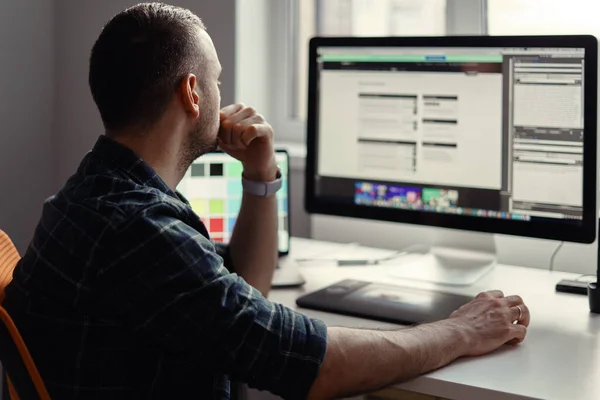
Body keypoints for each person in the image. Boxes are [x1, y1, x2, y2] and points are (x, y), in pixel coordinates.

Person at [3, 3, 531, 399]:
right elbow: (310, 365)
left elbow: (244, 295)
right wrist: (462, 329)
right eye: (215, 81)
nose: (220, 92)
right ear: (191, 93)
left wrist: (260, 174)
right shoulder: (137, 229)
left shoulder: (90, 195)